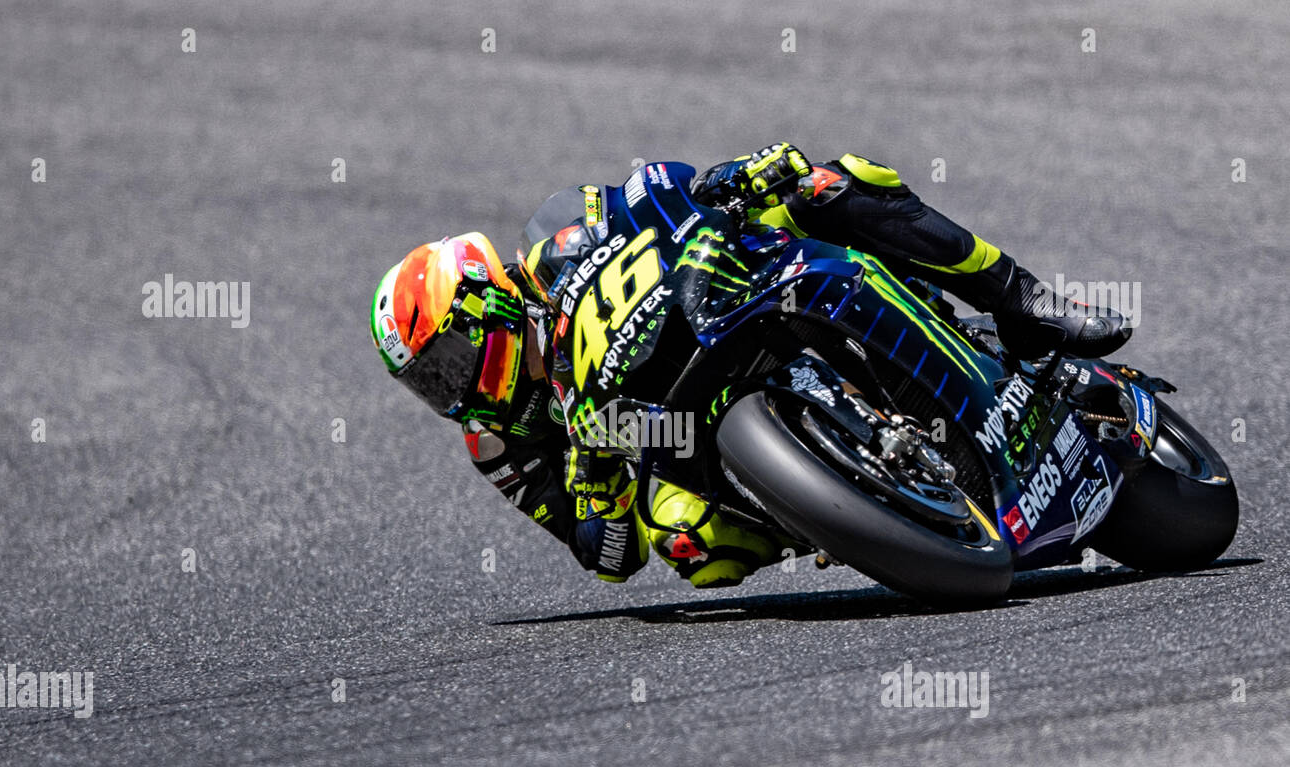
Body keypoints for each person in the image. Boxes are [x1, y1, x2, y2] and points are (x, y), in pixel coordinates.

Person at [369, 143, 1130, 588]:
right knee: (687, 546)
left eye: (448, 359)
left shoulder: (558, 243)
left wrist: (729, 181)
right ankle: (841, 513)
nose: (450, 386)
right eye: (428, 382)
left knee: (830, 183)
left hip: (715, 303)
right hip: (680, 450)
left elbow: (654, 190)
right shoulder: (498, 440)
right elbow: (609, 558)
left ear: (487, 310)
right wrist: (593, 478)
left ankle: (1018, 297)